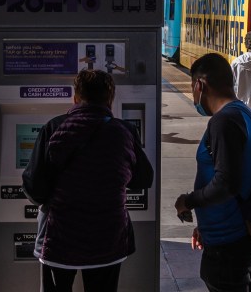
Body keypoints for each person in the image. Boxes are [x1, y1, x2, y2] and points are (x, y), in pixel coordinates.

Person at [22, 69, 154, 292]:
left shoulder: (54, 128)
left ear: (76, 97)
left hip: (59, 240)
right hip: (108, 239)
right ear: (110, 100)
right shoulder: (125, 131)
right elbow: (144, 178)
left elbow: (34, 186)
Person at [174, 53, 251, 292]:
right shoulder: (246, 114)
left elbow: (226, 183)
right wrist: (206, 225)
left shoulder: (223, 122)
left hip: (229, 242)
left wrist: (188, 201)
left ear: (200, 85)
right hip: (237, 234)